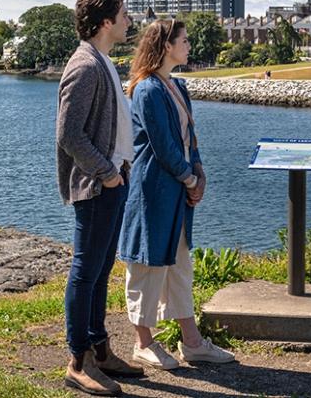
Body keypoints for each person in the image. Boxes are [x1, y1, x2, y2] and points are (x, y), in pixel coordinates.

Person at [119, 19, 234, 369]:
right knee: (147, 263)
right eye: (183, 41)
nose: (188, 46)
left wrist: (198, 172)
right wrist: (189, 179)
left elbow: (188, 139)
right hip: (153, 190)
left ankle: (193, 342)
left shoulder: (177, 87)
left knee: (180, 264)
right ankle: (143, 342)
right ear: (166, 46)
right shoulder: (147, 90)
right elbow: (163, 145)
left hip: (178, 191)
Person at [56, 0, 144, 396]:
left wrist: (117, 173)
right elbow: (69, 134)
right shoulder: (85, 66)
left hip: (113, 181)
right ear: (106, 21)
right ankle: (79, 361)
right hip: (97, 185)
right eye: (124, 15)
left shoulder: (102, 60)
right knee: (85, 273)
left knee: (100, 271)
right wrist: (107, 172)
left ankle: (99, 348)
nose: (129, 21)